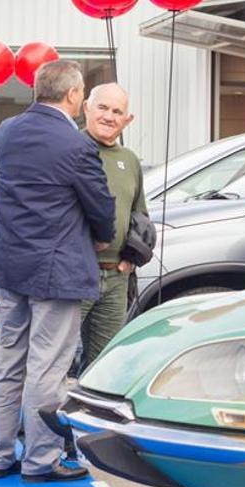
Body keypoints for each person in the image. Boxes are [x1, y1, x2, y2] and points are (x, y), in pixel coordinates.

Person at [0, 60, 115, 482]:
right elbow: (100, 206)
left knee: (8, 361)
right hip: (55, 269)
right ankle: (40, 461)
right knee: (48, 368)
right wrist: (102, 237)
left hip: (9, 264)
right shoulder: (76, 145)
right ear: (72, 96)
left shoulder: (9, 131)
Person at [78, 83, 148, 369]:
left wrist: (131, 259)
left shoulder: (130, 160)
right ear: (86, 108)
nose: (109, 116)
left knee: (103, 364)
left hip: (116, 279)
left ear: (127, 120)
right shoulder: (71, 149)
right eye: (102, 108)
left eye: (117, 111)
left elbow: (139, 214)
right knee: (56, 357)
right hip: (75, 273)